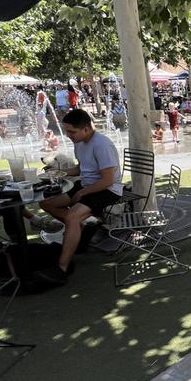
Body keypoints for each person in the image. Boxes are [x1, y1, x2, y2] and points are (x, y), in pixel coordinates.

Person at [36, 109, 122, 284]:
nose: (68, 135)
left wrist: (82, 192)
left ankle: (62, 267)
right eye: (67, 131)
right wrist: (59, 172)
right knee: (46, 203)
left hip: (107, 190)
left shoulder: (102, 145)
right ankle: (83, 226)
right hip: (86, 185)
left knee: (73, 216)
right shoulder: (80, 142)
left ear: (86, 129)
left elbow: (107, 181)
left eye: (72, 132)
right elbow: (81, 168)